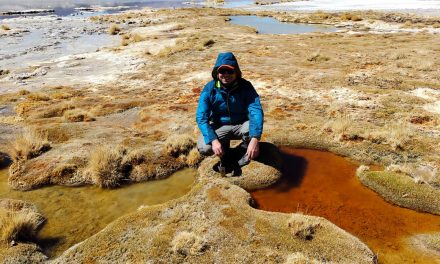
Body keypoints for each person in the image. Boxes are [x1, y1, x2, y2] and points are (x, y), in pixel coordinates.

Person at [196, 52, 264, 170]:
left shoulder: (245, 86)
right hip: (219, 126)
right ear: (217, 73)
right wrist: (214, 141)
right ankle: (224, 151)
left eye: (230, 71)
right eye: (222, 71)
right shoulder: (210, 89)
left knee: (254, 144)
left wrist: (255, 139)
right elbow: (201, 117)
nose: (226, 74)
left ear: (236, 72)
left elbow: (256, 111)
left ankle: (243, 150)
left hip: (241, 125)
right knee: (204, 147)